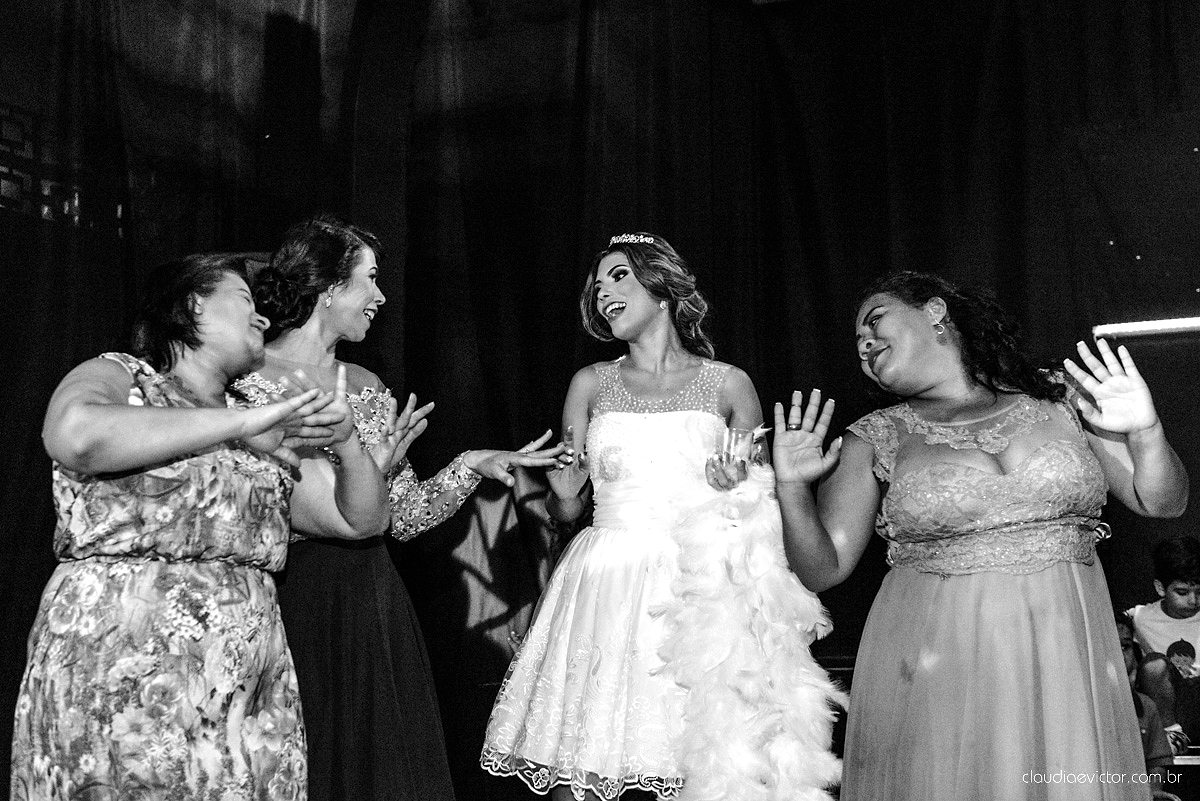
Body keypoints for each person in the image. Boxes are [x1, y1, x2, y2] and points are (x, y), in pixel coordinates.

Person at [773, 271, 1189, 801]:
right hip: (934, 660)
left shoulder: (1060, 397)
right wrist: (790, 489)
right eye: (857, 343)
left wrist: (1147, 432)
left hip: (1063, 651)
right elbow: (821, 568)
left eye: (874, 322)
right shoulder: (875, 435)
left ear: (935, 312)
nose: (864, 344)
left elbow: (1163, 500)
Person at [10, 254, 390, 800]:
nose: (262, 316)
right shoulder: (122, 376)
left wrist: (348, 441)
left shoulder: (260, 422)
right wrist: (243, 422)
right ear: (192, 306)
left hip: (243, 692)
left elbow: (362, 520)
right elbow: (76, 435)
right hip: (124, 674)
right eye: (244, 301)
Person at [481, 233, 842, 801]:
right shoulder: (589, 384)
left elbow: (760, 502)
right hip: (608, 579)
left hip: (700, 585)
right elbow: (567, 507)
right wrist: (564, 496)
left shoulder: (730, 383)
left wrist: (736, 485)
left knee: (708, 761)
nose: (603, 293)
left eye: (618, 277)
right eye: (597, 286)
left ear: (662, 288)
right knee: (584, 768)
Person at [236, 213, 567, 801]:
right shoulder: (245, 378)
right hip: (289, 593)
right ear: (330, 287)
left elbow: (405, 515)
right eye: (370, 279)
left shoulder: (364, 384)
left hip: (370, 598)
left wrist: (471, 465)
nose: (381, 296)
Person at [1128, 536, 1200, 753]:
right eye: (1182, 592)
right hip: (1171, 705)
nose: (1193, 601)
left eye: (1199, 592)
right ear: (1161, 588)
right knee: (1153, 665)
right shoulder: (1140, 617)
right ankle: (1172, 735)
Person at [1117, 614, 1176, 791]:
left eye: (1124, 646)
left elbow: (1157, 762)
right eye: (1109, 644)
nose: (1119, 653)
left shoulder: (1145, 706)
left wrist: (1151, 793)